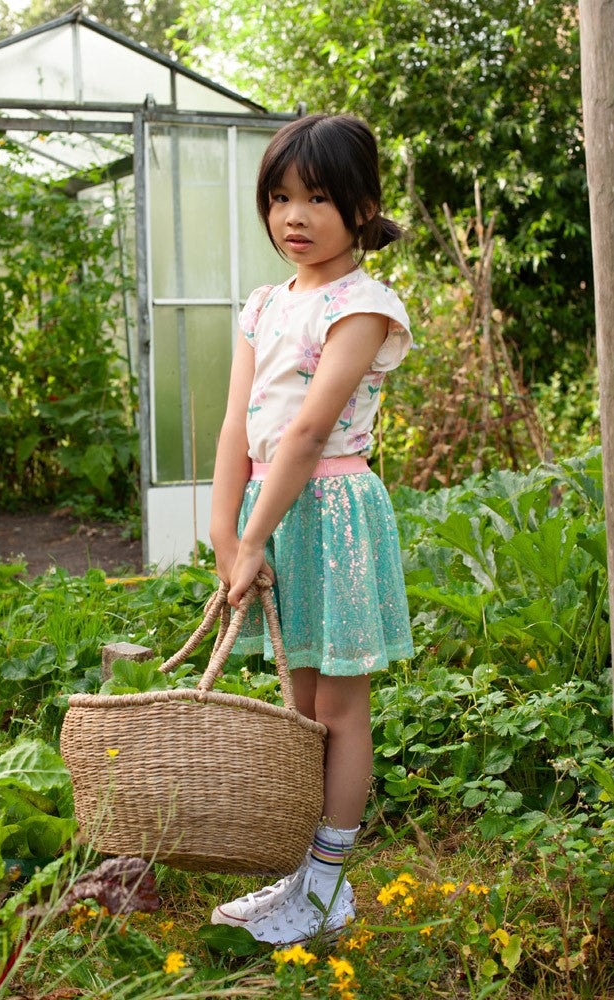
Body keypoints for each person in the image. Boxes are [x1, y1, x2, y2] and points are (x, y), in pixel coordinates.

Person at [208, 113, 414, 945]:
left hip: (330, 514)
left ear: (362, 207)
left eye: (318, 198)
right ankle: (303, 877)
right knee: (297, 706)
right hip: (274, 514)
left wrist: (255, 535)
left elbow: (304, 434)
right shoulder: (263, 304)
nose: (294, 216)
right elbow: (236, 428)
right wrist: (228, 535)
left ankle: (327, 887)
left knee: (337, 704)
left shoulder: (363, 306)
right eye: (280, 197)